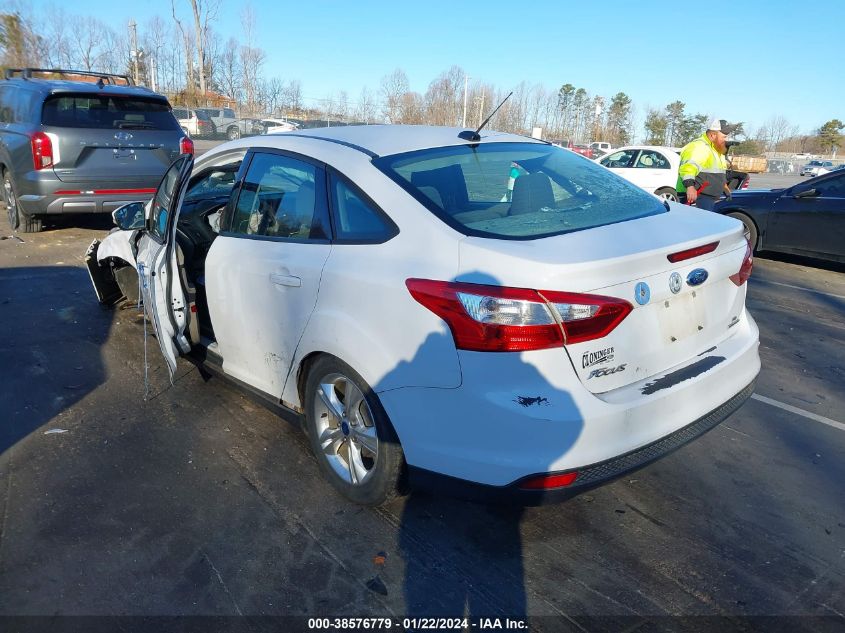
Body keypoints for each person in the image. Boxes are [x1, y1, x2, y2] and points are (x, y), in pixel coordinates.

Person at [676, 119, 738, 210]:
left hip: (707, 197)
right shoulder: (699, 147)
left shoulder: (716, 149)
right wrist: (690, 187)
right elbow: (688, 167)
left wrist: (724, 187)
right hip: (696, 196)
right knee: (696, 223)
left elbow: (718, 172)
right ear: (713, 135)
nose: (726, 140)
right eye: (724, 137)